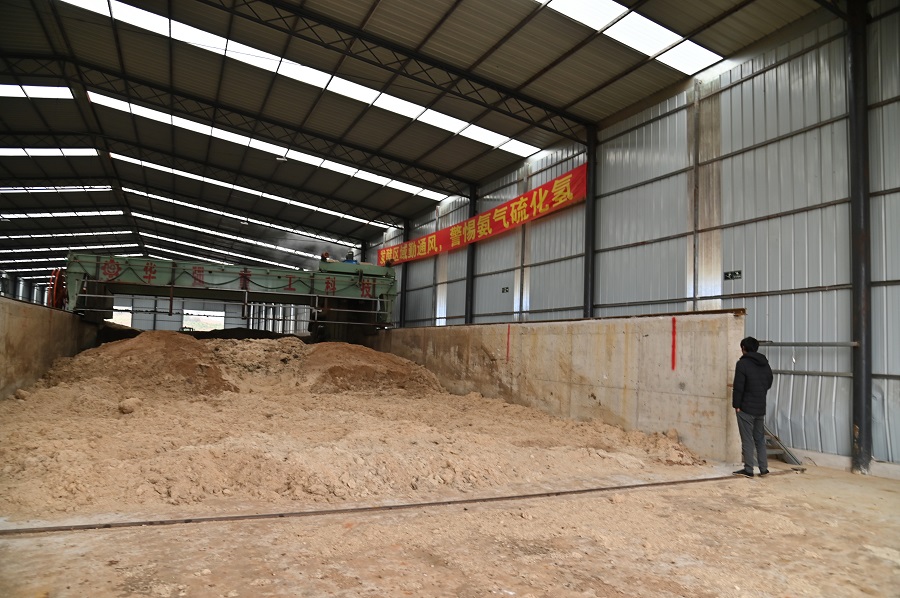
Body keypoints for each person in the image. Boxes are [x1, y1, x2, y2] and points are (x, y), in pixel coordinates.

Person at [732, 336, 774, 477]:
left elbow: (738, 387)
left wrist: (737, 405)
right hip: (760, 407)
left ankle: (749, 469)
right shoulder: (765, 363)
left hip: (746, 408)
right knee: (759, 439)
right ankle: (764, 469)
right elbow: (769, 382)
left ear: (744, 348)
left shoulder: (742, 364)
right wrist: (759, 392)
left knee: (747, 439)